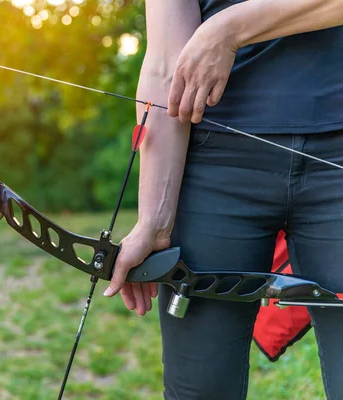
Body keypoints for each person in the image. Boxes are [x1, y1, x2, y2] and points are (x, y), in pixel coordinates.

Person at [102, 0, 343, 399]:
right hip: (215, 170)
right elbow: (167, 65)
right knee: (201, 389)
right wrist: (153, 222)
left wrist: (231, 28)